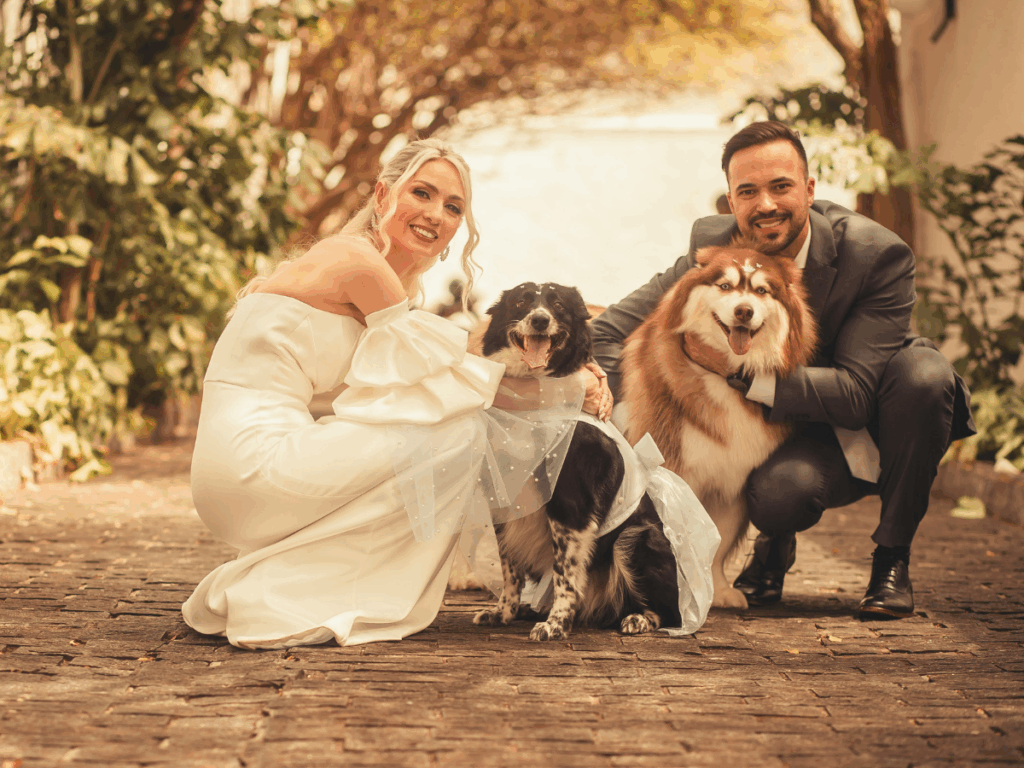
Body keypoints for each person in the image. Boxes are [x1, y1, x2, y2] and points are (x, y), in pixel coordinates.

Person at [182, 138, 615, 649]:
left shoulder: (373, 276)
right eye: (423, 193)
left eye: (453, 207)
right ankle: (339, 593)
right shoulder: (357, 263)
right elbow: (468, 384)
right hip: (252, 464)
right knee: (459, 425)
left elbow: (450, 364)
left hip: (237, 470)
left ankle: (289, 586)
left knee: (433, 414)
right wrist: (571, 389)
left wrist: (569, 361)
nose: (437, 213)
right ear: (384, 195)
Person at [592, 121, 975, 620]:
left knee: (926, 375)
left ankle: (891, 560)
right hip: (780, 426)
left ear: (810, 190)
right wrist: (612, 407)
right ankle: (774, 544)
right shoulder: (713, 247)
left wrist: (737, 373)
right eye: (748, 191)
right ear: (731, 202)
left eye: (780, 187)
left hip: (871, 413)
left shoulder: (875, 253)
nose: (765, 204)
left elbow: (857, 393)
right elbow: (611, 331)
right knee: (777, 496)